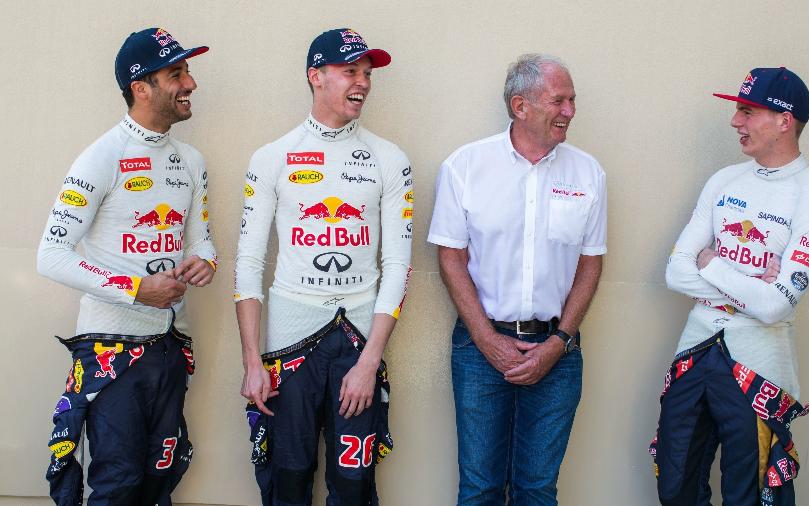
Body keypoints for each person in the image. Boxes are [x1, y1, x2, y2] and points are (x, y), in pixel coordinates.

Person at [36, 27, 216, 505]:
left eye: (188, 71)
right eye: (176, 73)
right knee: (116, 485)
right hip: (109, 352)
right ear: (141, 87)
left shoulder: (192, 160)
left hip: (168, 346)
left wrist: (206, 262)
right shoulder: (101, 157)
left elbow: (200, 240)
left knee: (161, 481)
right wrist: (137, 288)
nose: (191, 83)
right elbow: (51, 255)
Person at [235, 28, 412, 506]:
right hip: (288, 348)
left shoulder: (389, 159)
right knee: (287, 481)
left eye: (368, 73)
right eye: (350, 71)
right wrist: (253, 361)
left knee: (353, 488)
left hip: (358, 347)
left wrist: (370, 361)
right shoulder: (272, 157)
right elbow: (248, 264)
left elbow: (398, 265)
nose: (363, 83)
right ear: (316, 76)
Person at [651, 67, 809, 506]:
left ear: (783, 121)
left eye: (747, 111)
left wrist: (713, 265)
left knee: (748, 494)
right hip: (695, 352)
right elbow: (676, 272)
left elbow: (774, 308)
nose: (736, 121)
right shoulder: (723, 180)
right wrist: (750, 285)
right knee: (675, 484)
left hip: (758, 367)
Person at [428, 54, 607, 505]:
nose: (569, 111)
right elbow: (450, 257)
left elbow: (590, 264)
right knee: (480, 488)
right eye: (558, 100)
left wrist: (560, 341)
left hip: (557, 352)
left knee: (537, 489)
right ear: (520, 106)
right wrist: (486, 338)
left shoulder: (588, 173)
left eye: (572, 100)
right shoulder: (465, 166)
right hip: (479, 350)